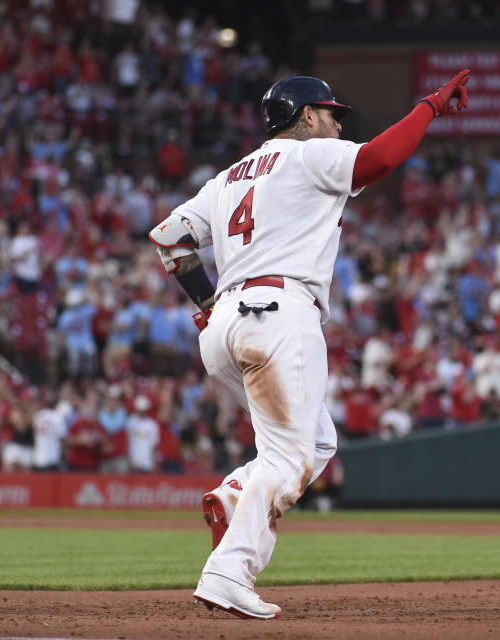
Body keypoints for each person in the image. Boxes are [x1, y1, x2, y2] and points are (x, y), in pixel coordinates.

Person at [149, 70, 471, 618]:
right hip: (278, 313)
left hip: (224, 324)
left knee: (317, 444)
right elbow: (377, 161)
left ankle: (235, 495)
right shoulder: (307, 155)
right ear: (304, 116)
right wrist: (429, 107)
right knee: (293, 454)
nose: (336, 123)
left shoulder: (227, 179)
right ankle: (229, 571)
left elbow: (168, 239)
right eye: (330, 113)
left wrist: (206, 304)